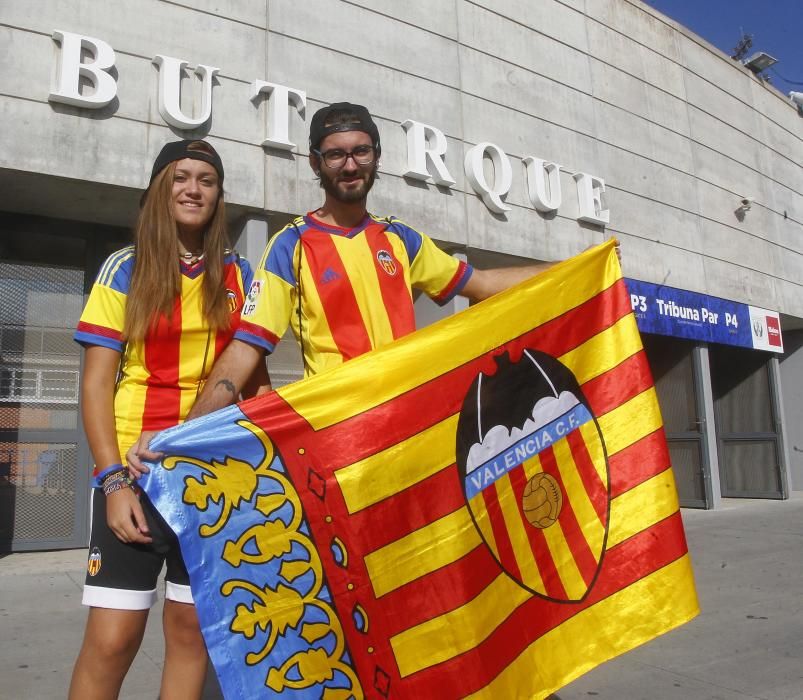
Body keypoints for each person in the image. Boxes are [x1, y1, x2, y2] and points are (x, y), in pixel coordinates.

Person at [126, 102, 590, 464]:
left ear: (376, 157)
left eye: (360, 151)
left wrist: (579, 268)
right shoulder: (290, 247)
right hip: (339, 438)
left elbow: (482, 282)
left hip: (414, 430)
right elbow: (244, 353)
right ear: (315, 162)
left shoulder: (401, 238)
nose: (350, 165)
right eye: (336, 154)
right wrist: (182, 434)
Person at [69, 140, 267, 700]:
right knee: (112, 640)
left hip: (211, 476)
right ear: (160, 188)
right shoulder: (124, 267)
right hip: (134, 475)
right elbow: (95, 383)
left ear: (218, 196)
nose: (193, 189)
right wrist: (111, 481)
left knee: (191, 635)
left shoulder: (240, 272)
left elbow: (255, 383)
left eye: (207, 180)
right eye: (181, 177)